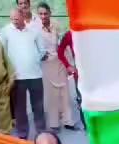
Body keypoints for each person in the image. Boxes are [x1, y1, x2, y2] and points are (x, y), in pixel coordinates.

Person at [2, 8, 47, 141]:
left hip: (35, 75)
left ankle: (41, 132)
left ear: (22, 16)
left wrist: (34, 60)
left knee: (38, 106)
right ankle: (22, 134)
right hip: (17, 76)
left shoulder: (34, 30)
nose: (14, 21)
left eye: (16, 18)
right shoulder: (5, 31)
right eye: (12, 19)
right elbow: (2, 52)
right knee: (20, 108)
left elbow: (42, 50)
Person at [36, 4, 72, 135]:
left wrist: (69, 64)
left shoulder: (56, 25)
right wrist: (40, 56)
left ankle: (68, 121)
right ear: (38, 15)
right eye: (40, 14)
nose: (43, 16)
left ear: (50, 13)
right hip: (46, 64)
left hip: (59, 62)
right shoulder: (35, 29)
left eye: (45, 13)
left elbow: (62, 45)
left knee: (64, 92)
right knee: (51, 95)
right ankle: (54, 123)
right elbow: (33, 47)